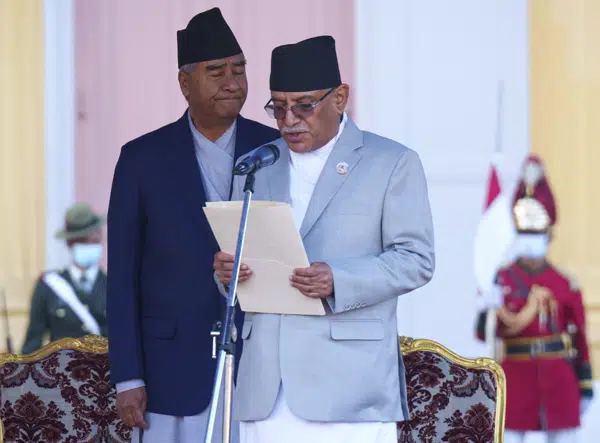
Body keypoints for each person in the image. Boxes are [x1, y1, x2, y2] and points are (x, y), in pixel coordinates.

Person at [213, 35, 435, 443]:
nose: (289, 119)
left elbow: (416, 259)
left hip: (349, 387)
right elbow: (239, 256)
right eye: (277, 107)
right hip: (266, 387)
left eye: (303, 105)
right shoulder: (258, 165)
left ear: (340, 98)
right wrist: (227, 271)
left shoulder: (391, 163)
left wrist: (339, 279)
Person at [106, 7, 279, 443]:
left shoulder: (275, 148)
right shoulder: (142, 159)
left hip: (262, 368)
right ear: (184, 83)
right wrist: (127, 377)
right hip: (170, 374)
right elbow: (122, 277)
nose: (232, 82)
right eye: (217, 71)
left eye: (239, 70)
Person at [476, 155, 594, 443]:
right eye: (526, 233)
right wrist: (487, 311)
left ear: (548, 235)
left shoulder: (565, 283)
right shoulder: (501, 280)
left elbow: (579, 338)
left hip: (558, 378)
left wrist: (585, 384)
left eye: (537, 233)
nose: (531, 239)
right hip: (515, 378)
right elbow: (482, 334)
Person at [22, 203, 107, 354]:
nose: (88, 245)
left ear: (100, 236)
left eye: (93, 240)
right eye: (81, 240)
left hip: (106, 375)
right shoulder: (48, 286)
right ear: (70, 243)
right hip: (62, 374)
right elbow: (32, 345)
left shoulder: (115, 286)